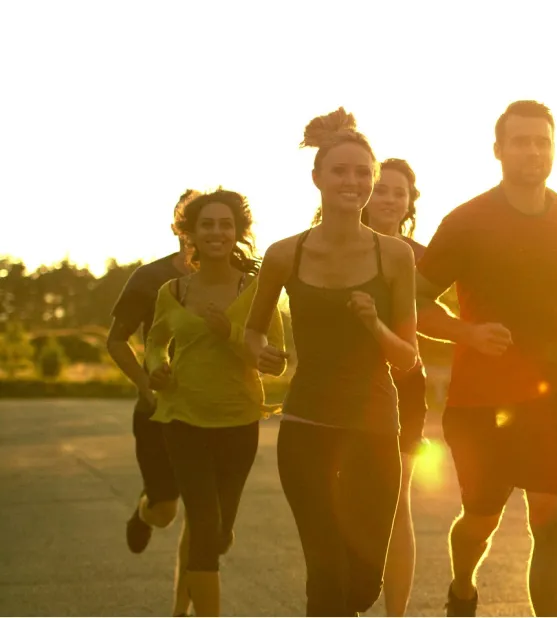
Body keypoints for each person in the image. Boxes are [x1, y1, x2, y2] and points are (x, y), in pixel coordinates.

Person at [415, 100, 557, 617]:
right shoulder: (466, 221)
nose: (532, 150)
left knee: (549, 518)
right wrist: (468, 332)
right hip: (479, 398)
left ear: (554, 149)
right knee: (480, 518)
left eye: (542, 141)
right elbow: (413, 303)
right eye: (520, 141)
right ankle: (463, 583)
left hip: (554, 392)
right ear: (498, 150)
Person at [244, 108, 418, 617]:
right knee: (326, 573)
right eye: (340, 171)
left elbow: (407, 358)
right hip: (307, 429)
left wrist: (374, 325)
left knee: (363, 584)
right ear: (316, 178)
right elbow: (252, 331)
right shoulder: (284, 255)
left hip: (375, 428)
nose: (353, 181)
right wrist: (258, 352)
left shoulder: (395, 257)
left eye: (363, 172)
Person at [145, 189, 286, 616]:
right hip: (183, 418)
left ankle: (184, 598)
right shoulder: (173, 291)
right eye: (207, 224)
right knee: (205, 526)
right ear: (190, 234)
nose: (217, 232)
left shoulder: (259, 291)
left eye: (226, 224)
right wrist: (157, 367)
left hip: (238, 420)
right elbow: (154, 342)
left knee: (219, 531)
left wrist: (229, 332)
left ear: (238, 232)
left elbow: (275, 361)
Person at [106, 188, 199, 617]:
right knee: (166, 512)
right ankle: (144, 513)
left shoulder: (238, 277)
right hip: (157, 410)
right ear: (179, 228)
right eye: (194, 224)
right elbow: (116, 339)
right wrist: (145, 385)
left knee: (204, 522)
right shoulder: (149, 277)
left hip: (212, 412)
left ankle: (182, 611)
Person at [361, 157, 427, 617]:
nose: (388, 199)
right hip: (346, 385)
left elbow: (441, 318)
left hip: (405, 384)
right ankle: (349, 599)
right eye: (380, 189)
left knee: (397, 501)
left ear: (409, 203)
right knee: (349, 500)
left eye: (398, 192)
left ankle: (396, 614)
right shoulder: (335, 247)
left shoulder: (423, 258)